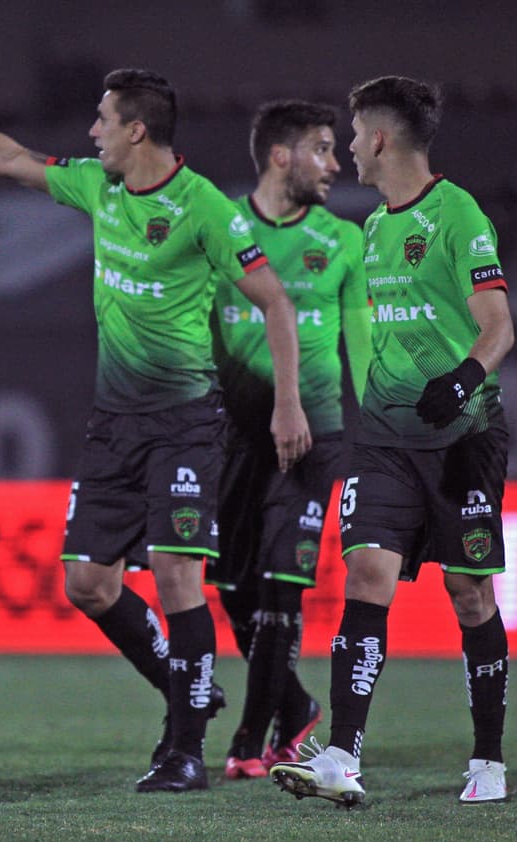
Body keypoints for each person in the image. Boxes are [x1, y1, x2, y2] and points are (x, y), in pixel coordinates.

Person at [0, 69, 309, 792]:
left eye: (103, 120)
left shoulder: (204, 206)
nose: (92, 132)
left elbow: (275, 303)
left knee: (178, 575)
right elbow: (7, 158)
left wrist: (288, 404)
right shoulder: (98, 186)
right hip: (115, 423)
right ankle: (202, 689)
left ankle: (183, 749)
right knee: (87, 582)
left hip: (184, 421)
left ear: (136, 129)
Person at [271, 76, 514, 807]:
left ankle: (489, 761)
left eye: (351, 134)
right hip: (383, 440)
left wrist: (465, 377)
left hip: (462, 436)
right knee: (367, 577)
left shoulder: (456, 214)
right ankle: (342, 754)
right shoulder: (374, 226)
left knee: (469, 594)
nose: (346, 147)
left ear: (379, 138)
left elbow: (499, 324)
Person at [206, 101, 371, 780]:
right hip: (236, 433)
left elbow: (359, 341)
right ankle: (296, 700)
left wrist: (382, 419)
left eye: (337, 150)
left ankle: (253, 737)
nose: (336, 165)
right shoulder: (221, 228)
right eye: (323, 150)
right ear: (281, 155)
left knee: (283, 580)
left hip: (315, 431)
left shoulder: (344, 240)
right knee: (231, 584)